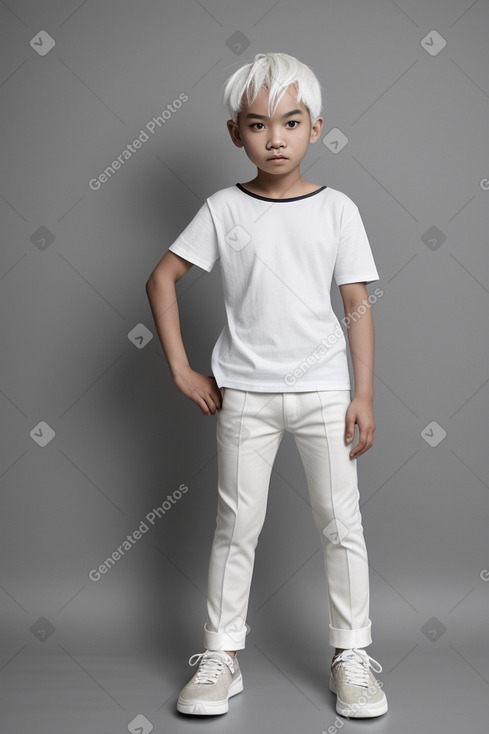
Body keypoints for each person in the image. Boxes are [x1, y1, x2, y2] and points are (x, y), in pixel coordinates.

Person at [145, 51, 388, 719]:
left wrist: (362, 393)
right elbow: (161, 278)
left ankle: (351, 656)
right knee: (235, 525)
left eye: (290, 122)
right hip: (244, 397)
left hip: (323, 395)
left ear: (316, 128)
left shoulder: (337, 209)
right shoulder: (223, 209)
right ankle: (220, 657)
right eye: (257, 124)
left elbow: (356, 304)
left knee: (340, 523)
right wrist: (180, 368)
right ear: (235, 134)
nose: (274, 138)